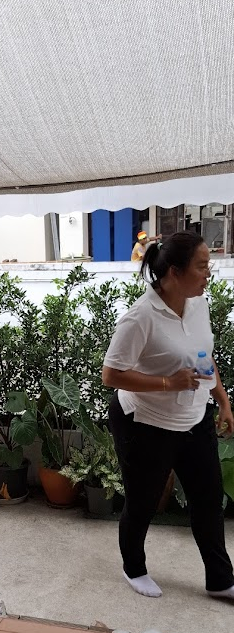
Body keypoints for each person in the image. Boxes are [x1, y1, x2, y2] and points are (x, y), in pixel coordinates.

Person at [102, 231, 234, 600]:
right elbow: (111, 375)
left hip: (194, 417)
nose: (209, 273)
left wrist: (222, 400)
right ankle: (134, 567)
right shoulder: (140, 317)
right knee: (143, 501)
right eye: (202, 266)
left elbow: (203, 355)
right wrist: (167, 382)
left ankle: (221, 580)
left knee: (208, 499)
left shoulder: (198, 304)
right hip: (145, 423)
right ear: (174, 272)